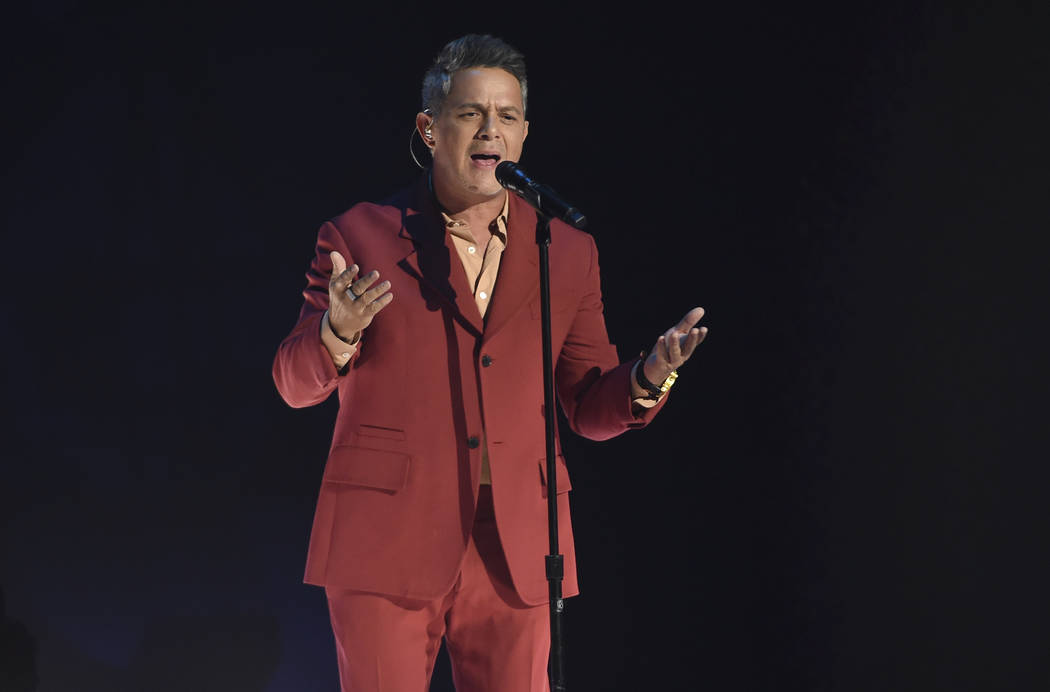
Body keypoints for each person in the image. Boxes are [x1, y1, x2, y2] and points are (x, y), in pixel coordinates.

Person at [272, 34, 707, 692]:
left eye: (506, 116)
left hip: (517, 543)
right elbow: (293, 384)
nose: (490, 130)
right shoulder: (360, 235)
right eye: (471, 112)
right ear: (429, 127)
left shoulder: (564, 251)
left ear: (525, 135)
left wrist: (650, 377)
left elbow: (588, 407)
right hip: (386, 540)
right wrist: (337, 329)